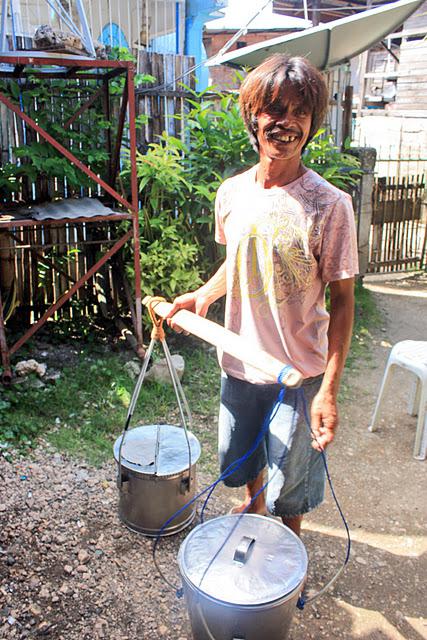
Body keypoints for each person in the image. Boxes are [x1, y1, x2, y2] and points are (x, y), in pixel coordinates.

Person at [167, 54, 358, 537]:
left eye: (299, 112)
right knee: (238, 461)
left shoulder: (331, 205)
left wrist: (329, 391)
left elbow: (343, 303)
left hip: (300, 373)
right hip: (240, 361)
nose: (286, 123)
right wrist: (204, 295)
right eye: (274, 110)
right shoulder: (231, 193)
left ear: (312, 124)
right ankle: (252, 509)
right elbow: (242, 262)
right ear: (254, 117)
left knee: (288, 489)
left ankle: (286, 551)